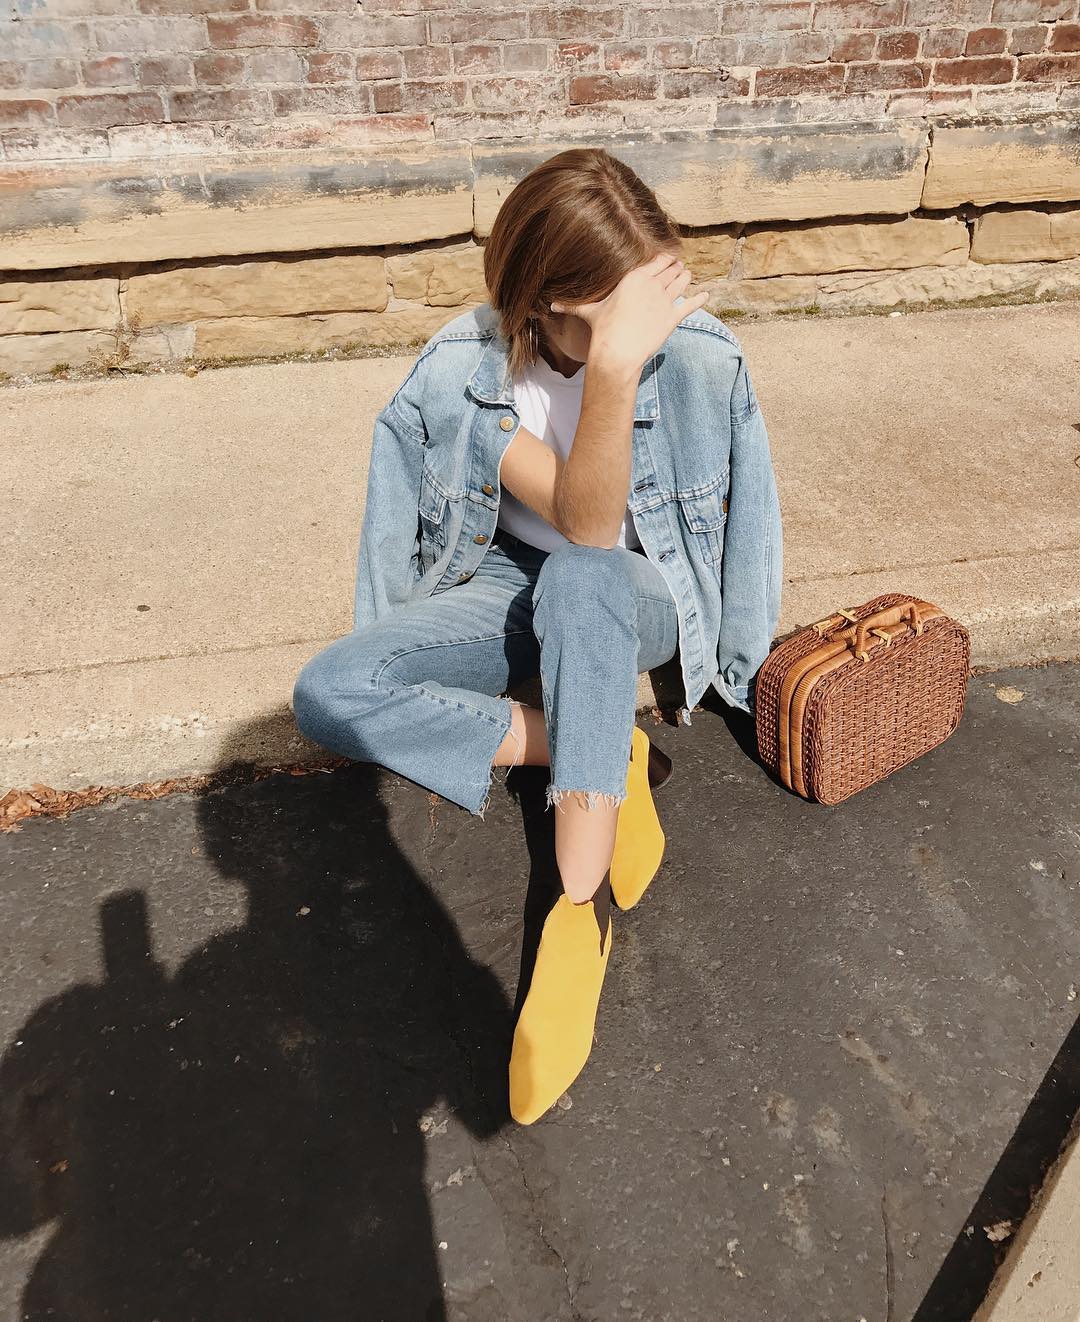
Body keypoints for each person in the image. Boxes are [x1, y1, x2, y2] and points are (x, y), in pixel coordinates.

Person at [292, 146, 783, 1125]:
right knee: (329, 692)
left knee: (587, 579)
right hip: (509, 590)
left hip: (627, 597)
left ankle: (577, 906)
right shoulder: (465, 372)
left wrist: (739, 665)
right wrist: (608, 369)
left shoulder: (702, 357)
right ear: (545, 299)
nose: (646, 324)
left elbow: (717, 530)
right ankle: (600, 749)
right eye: (614, 308)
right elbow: (571, 512)